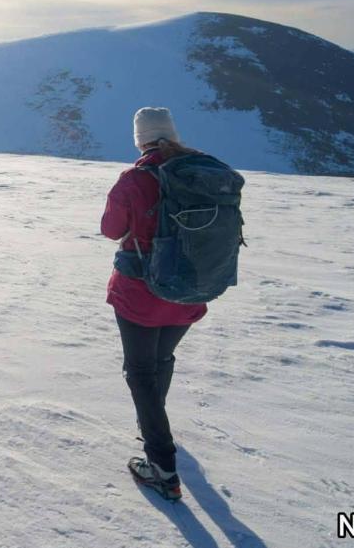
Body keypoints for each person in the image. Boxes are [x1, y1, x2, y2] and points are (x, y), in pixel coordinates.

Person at [100, 107, 206, 502]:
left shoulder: (134, 179)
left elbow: (111, 229)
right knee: (161, 361)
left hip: (141, 294)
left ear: (140, 139)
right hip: (191, 292)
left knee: (141, 372)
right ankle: (153, 423)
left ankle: (161, 466)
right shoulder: (201, 171)